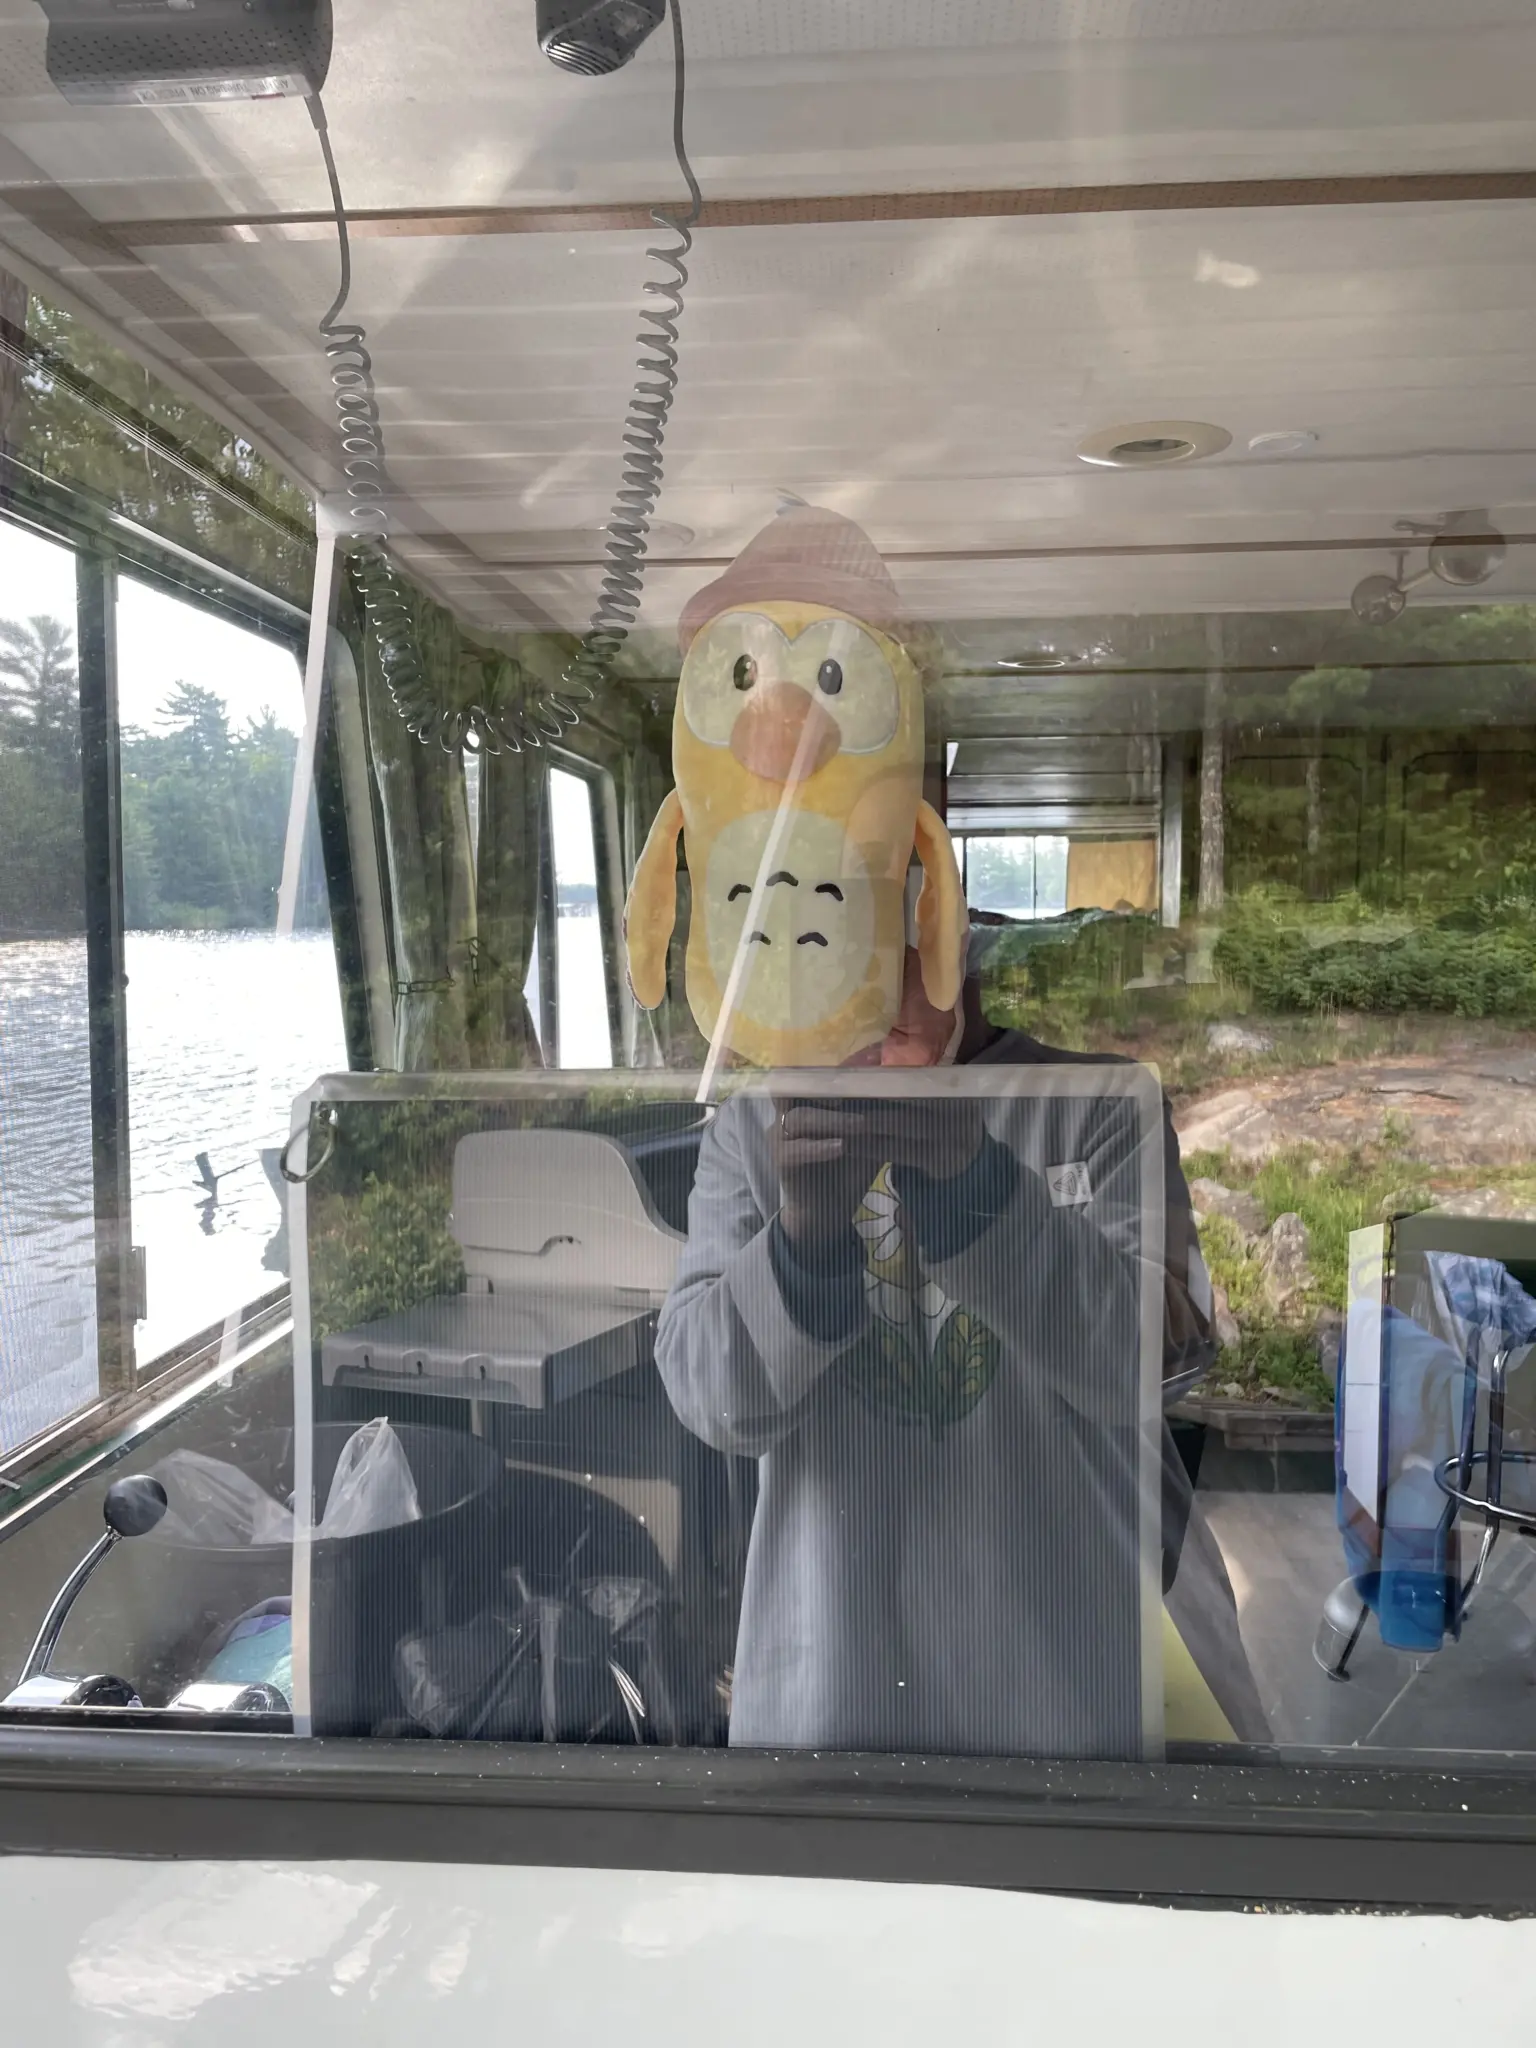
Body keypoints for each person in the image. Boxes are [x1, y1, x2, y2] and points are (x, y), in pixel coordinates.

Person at [655, 932, 1268, 1754]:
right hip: (835, 1687)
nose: (849, 989)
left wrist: (982, 1189)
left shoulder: (1100, 1104)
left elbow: (1159, 1366)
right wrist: (803, 1239)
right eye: (819, 955)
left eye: (882, 954)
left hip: (1067, 1687)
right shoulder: (757, 1129)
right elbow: (710, 1404)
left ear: (956, 947)